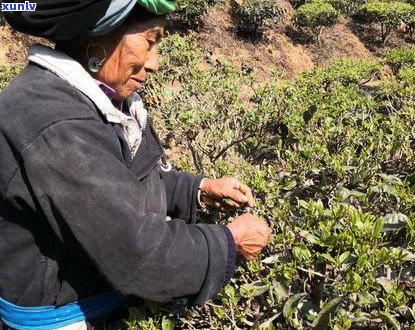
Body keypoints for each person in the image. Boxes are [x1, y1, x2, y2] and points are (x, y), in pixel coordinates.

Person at [0, 0, 272, 329]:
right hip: (65, 320)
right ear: (98, 36)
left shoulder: (93, 97)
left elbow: (126, 176)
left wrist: (195, 189)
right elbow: (135, 251)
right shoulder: (55, 122)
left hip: (100, 302)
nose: (154, 63)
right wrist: (228, 242)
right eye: (150, 40)